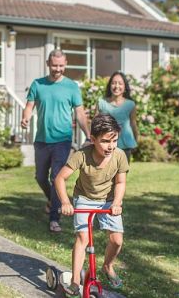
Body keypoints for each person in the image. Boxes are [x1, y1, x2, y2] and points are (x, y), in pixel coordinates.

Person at [55, 114, 128, 296]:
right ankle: (75, 281)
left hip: (109, 200)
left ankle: (107, 266)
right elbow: (60, 178)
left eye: (114, 141)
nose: (110, 146)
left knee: (117, 240)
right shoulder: (82, 155)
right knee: (83, 238)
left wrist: (117, 203)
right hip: (85, 197)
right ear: (93, 139)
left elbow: (120, 183)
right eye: (105, 142)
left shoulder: (119, 156)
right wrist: (65, 202)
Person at [21, 49, 90, 233]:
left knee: (56, 177)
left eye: (61, 65)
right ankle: (53, 200)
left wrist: (89, 135)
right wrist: (25, 118)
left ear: (65, 63)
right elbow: (29, 106)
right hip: (42, 139)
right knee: (40, 177)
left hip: (62, 140)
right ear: (47, 63)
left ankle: (54, 218)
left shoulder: (72, 87)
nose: (57, 69)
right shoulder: (38, 84)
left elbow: (80, 114)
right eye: (54, 65)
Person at [96, 71, 138, 162]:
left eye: (120, 83)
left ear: (125, 87)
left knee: (122, 174)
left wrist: (135, 141)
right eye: (114, 83)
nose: (117, 86)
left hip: (125, 145)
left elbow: (133, 124)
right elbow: (95, 123)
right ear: (110, 85)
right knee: (107, 174)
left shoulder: (130, 104)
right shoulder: (101, 103)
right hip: (106, 145)